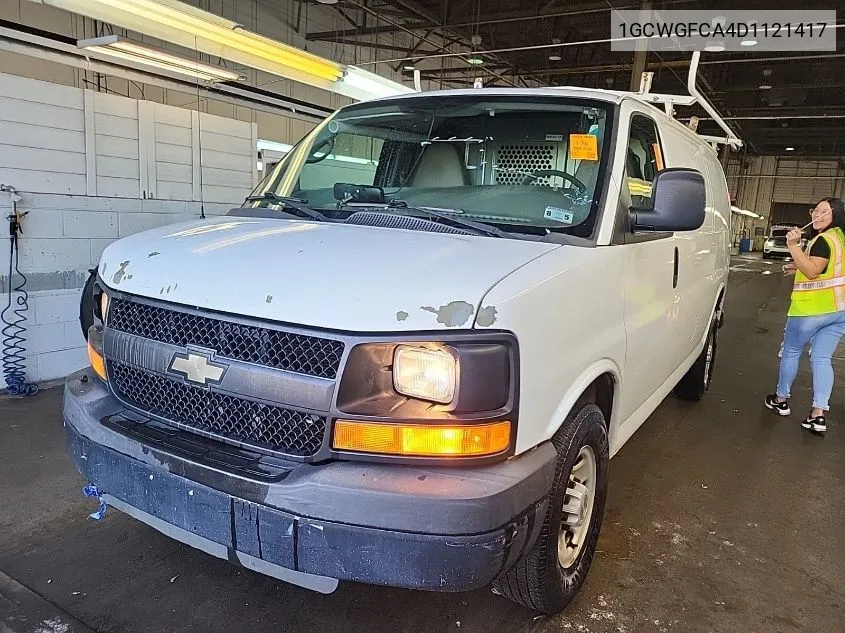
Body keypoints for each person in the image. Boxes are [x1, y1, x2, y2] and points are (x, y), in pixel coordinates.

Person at [765, 197, 845, 433]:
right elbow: (825, 268)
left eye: (824, 212)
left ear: (835, 215)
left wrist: (794, 246)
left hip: (810, 310)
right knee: (822, 359)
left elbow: (812, 271)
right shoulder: (840, 238)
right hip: (838, 311)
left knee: (791, 351)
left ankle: (781, 400)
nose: (816, 216)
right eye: (815, 210)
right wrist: (796, 265)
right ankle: (818, 414)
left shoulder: (822, 241)